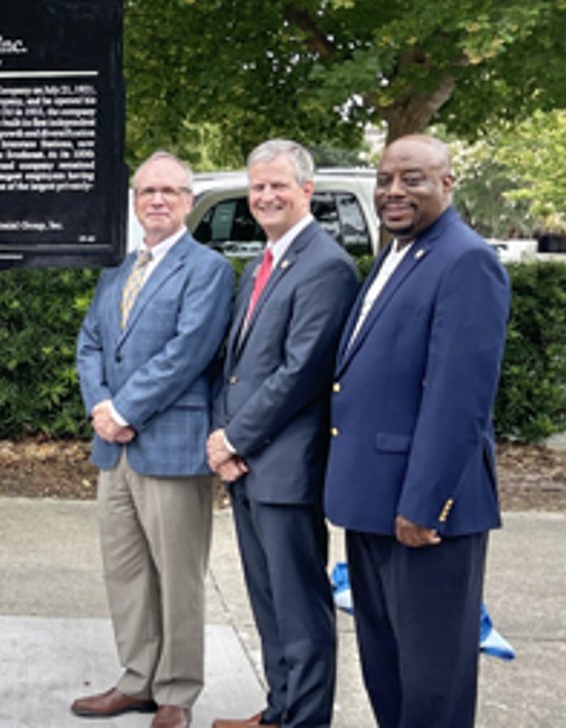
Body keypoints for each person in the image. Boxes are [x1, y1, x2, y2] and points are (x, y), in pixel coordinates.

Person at [325, 134, 510, 728]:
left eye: (413, 179)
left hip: (422, 513)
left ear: (447, 183)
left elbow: (460, 401)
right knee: (386, 665)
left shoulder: (466, 259)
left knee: (433, 681)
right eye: (385, 179)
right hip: (373, 501)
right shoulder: (400, 253)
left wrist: (425, 505)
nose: (394, 191)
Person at [73, 151, 235, 728]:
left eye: (169, 191)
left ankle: (176, 692)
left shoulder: (208, 269)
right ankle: (137, 680)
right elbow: (90, 340)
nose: (158, 200)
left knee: (178, 574)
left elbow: (187, 353)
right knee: (126, 571)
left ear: (190, 202)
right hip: (113, 446)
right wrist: (100, 407)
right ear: (135, 202)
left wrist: (125, 408)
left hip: (169, 444)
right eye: (147, 192)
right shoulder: (117, 266)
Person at [206, 140, 359, 728]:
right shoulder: (261, 264)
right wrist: (224, 436)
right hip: (247, 467)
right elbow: (237, 365)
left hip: (285, 468)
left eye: (279, 186)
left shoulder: (325, 266)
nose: (266, 196)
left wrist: (233, 439)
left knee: (300, 609)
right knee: (267, 603)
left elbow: (301, 373)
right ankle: (278, 711)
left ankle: (305, 719)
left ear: (307, 192)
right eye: (258, 187)